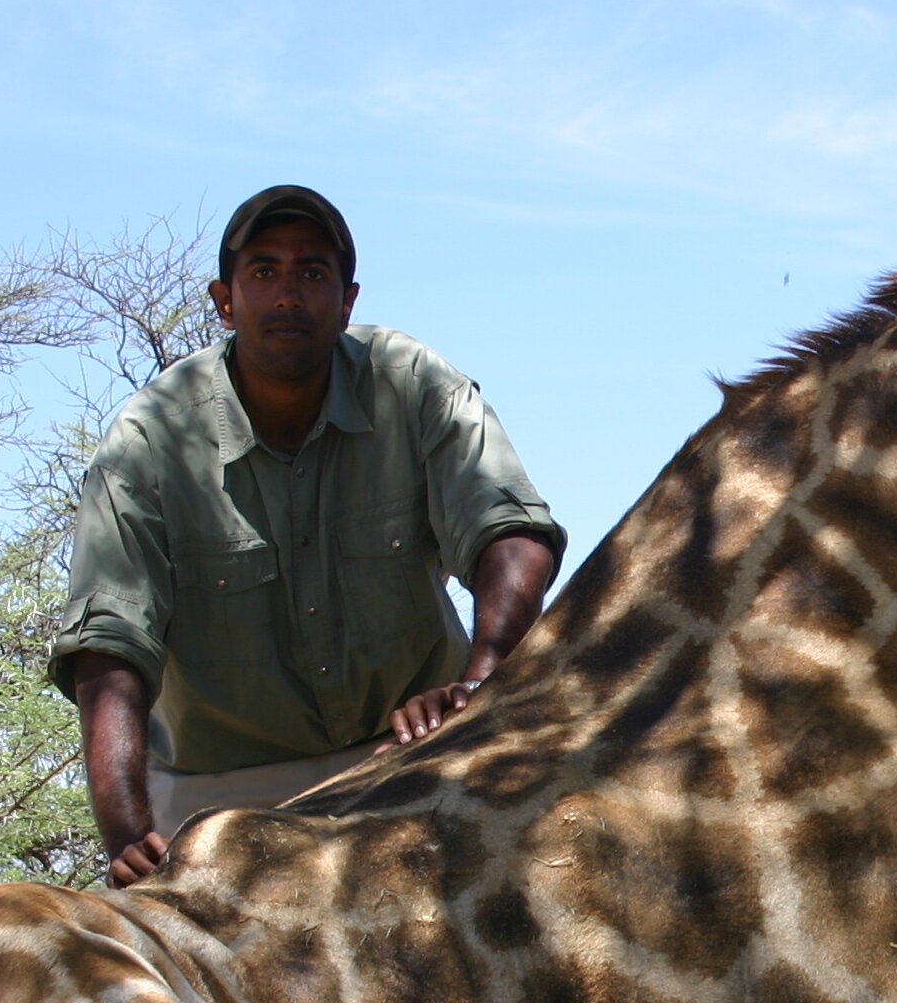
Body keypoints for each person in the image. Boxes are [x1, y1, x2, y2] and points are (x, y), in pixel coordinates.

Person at [50, 185, 562, 888]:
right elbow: (111, 644)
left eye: (311, 273)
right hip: (215, 794)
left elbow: (509, 531)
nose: (288, 293)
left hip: (404, 754)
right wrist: (126, 832)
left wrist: (480, 684)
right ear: (224, 301)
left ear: (347, 301)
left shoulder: (412, 384)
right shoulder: (149, 438)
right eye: (263, 272)